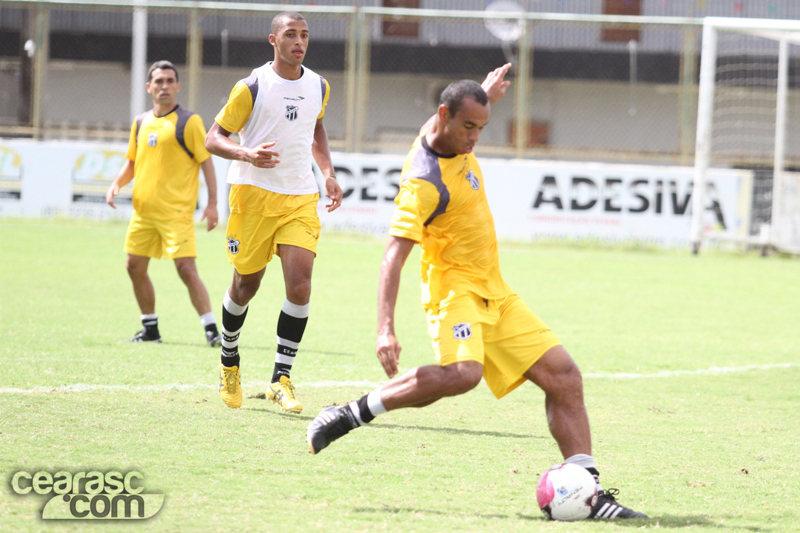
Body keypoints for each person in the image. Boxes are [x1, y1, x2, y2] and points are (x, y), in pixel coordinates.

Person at [306, 64, 648, 521]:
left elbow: (459, 112)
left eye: (481, 128)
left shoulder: (446, 126)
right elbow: (393, 256)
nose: (475, 138)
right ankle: (350, 413)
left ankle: (590, 493)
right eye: (468, 127)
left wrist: (484, 95)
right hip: (454, 290)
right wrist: (385, 328)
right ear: (445, 115)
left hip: (495, 289)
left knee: (565, 376)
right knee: (464, 374)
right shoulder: (423, 183)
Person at [205, 12, 343, 412]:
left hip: (299, 196)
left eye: (304, 35)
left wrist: (328, 173)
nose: (299, 41)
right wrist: (246, 153)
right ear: (273, 40)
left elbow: (316, 128)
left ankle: (281, 377)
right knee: (246, 285)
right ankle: (229, 359)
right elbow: (215, 138)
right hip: (253, 195)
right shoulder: (252, 86)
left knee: (300, 285)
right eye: (290, 34)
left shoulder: (319, 85)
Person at [107, 60, 222, 347]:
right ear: (149, 87)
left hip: (176, 214)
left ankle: (211, 330)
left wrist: (212, 204)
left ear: (178, 86)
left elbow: (206, 163)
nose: (165, 86)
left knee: (185, 268)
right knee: (134, 266)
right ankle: (150, 330)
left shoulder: (189, 121)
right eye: (159, 81)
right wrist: (116, 184)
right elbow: (133, 162)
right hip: (143, 213)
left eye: (170, 81)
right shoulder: (140, 122)